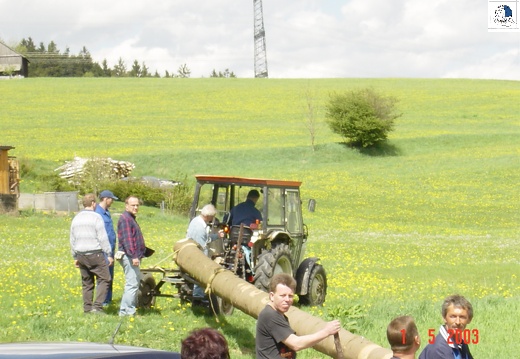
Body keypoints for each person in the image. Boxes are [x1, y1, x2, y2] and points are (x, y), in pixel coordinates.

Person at [256, 273, 341, 359]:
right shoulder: (270, 316)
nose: (287, 300)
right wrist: (326, 331)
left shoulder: (278, 315)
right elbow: (296, 344)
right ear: (272, 296)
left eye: (290, 296)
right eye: (282, 295)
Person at [70, 193, 113, 315]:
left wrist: (75, 256)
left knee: (87, 283)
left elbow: (72, 239)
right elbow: (103, 238)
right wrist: (109, 253)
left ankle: (87, 309)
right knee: (105, 279)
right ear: (93, 203)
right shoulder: (96, 217)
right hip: (95, 254)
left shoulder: (76, 218)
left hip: (81, 255)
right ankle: (97, 307)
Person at [117, 196, 147, 316]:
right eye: (133, 205)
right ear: (126, 206)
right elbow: (127, 240)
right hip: (129, 256)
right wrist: (134, 256)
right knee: (132, 284)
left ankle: (125, 310)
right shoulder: (125, 219)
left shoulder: (130, 218)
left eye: (137, 205)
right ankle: (128, 311)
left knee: (133, 283)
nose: (135, 207)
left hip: (132, 255)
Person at [418, 294, 474, 359]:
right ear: (444, 318)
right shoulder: (439, 349)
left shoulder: (461, 343)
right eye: (453, 316)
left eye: (462, 317)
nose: (457, 322)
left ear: (469, 319)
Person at [186, 204, 223, 299]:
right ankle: (198, 298)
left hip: (190, 252)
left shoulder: (196, 221)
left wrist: (217, 236)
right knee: (201, 276)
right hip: (197, 256)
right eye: (212, 217)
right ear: (207, 216)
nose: (213, 219)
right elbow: (202, 248)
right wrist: (207, 262)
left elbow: (206, 238)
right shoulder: (199, 228)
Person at [95, 189, 118, 306]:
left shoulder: (106, 212)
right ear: (105, 199)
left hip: (110, 249)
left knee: (110, 275)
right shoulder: (97, 213)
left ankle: (108, 299)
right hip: (102, 250)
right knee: (103, 276)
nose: (112, 201)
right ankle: (102, 301)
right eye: (111, 199)